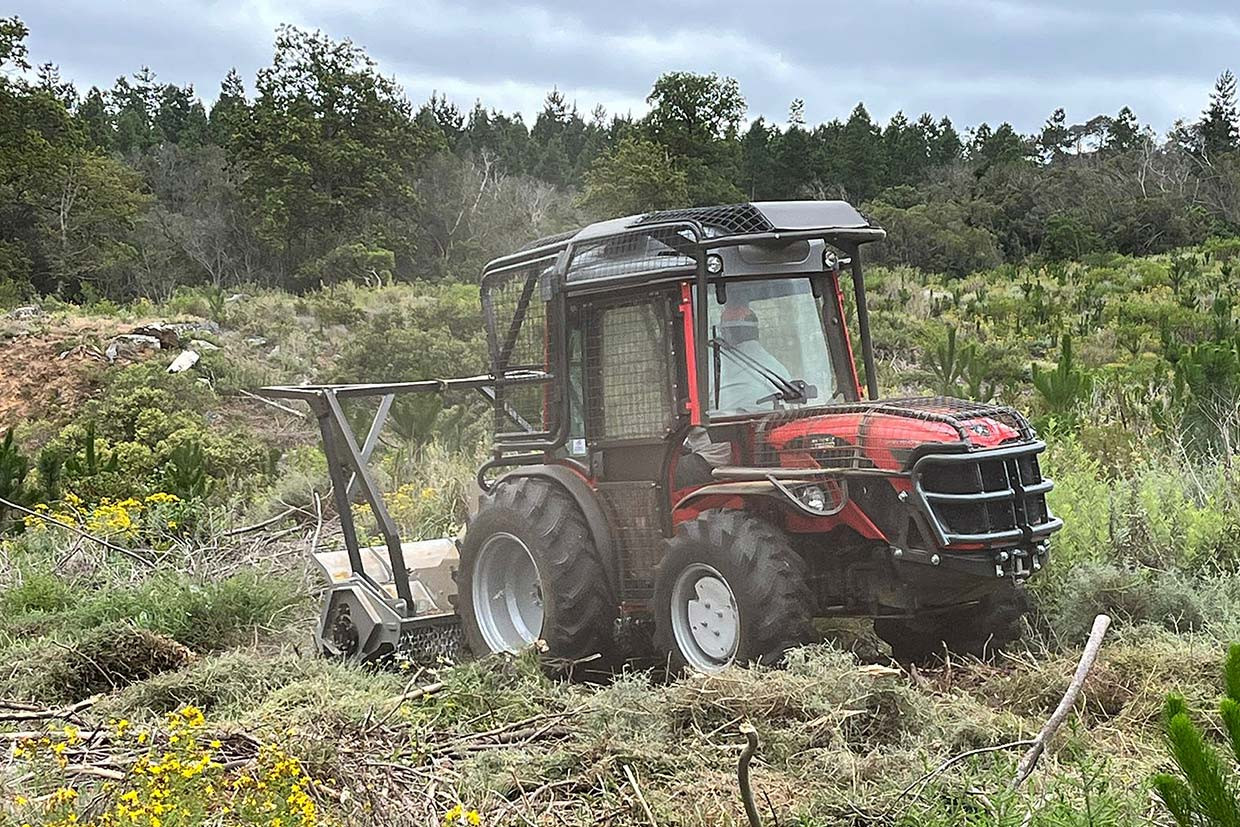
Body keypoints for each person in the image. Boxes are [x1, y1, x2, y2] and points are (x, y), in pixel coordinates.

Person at [716, 302, 791, 413]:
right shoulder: (779, 369)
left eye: (723, 331)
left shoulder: (716, 365)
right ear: (756, 331)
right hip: (775, 420)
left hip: (728, 423)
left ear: (728, 333)